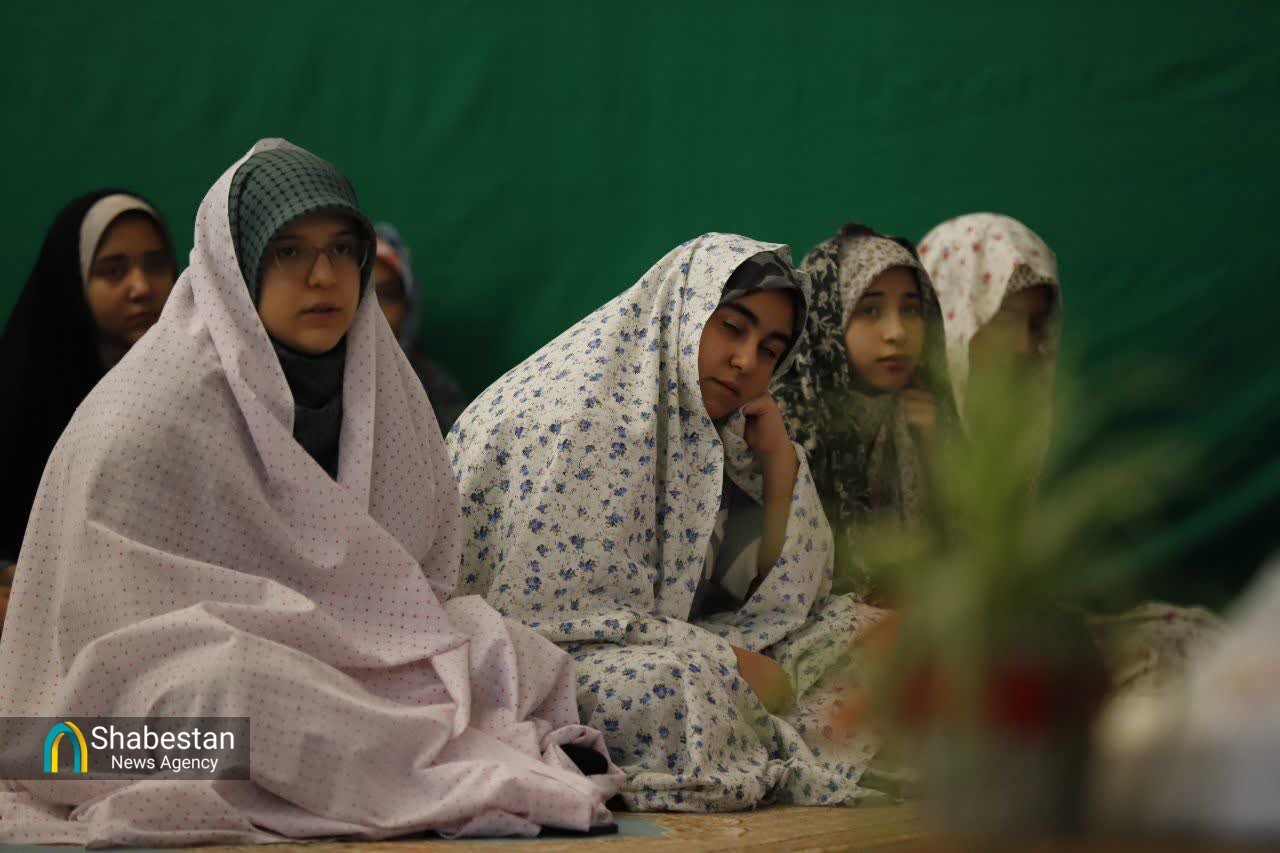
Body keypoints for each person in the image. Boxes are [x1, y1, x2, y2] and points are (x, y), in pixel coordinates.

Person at [0, 139, 619, 845]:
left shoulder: (384, 389)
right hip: (98, 735)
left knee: (494, 643)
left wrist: (328, 638)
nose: (324, 277)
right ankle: (428, 773)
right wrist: (292, 636)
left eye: (342, 250)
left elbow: (410, 589)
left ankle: (392, 764)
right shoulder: (150, 410)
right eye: (288, 251)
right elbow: (101, 636)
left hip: (342, 655)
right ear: (237, 265)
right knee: (243, 691)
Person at [449, 235, 884, 810]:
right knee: (668, 690)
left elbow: (790, 600)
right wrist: (726, 662)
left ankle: (751, 723)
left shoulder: (703, 423)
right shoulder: (590, 419)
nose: (747, 361)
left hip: (649, 638)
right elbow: (557, 619)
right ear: (684, 311)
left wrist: (779, 462)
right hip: (522, 661)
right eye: (732, 328)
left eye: (770, 350)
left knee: (868, 635)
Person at [919, 212, 1219, 694]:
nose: (1024, 345)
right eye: (1006, 319)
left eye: (1037, 324)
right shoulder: (893, 420)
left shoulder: (1015, 421)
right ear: (952, 307)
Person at [0, 191, 176, 597]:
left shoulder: (200, 387)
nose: (141, 287)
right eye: (113, 271)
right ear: (74, 281)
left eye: (156, 265)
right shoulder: (19, 396)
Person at [775, 223, 958, 601]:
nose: (897, 332)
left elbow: (973, 555)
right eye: (870, 309)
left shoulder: (928, 413)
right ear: (826, 318)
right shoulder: (786, 425)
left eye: (911, 309)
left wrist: (938, 451)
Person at [370, 222, 469, 433]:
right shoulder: (308, 390)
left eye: (387, 294)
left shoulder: (433, 389)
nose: (374, 311)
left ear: (408, 305)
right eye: (360, 296)